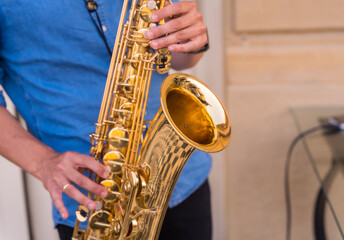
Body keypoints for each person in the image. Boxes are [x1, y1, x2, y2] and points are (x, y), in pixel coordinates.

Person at [0, 0, 211, 239]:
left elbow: (178, 59)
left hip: (182, 180)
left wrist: (189, 37)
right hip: (100, 206)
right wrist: (43, 162)